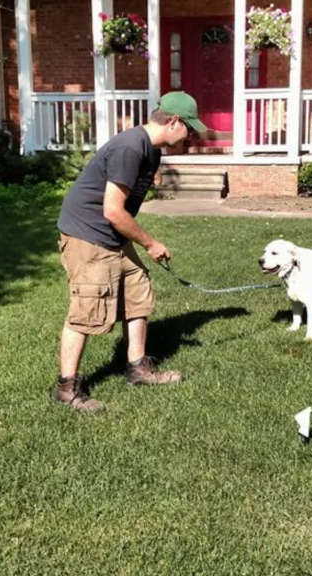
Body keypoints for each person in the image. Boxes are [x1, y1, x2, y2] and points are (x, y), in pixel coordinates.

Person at [53, 91, 209, 413]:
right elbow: (113, 210)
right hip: (89, 233)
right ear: (174, 121)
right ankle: (66, 388)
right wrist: (150, 243)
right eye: (189, 129)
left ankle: (138, 369)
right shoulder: (130, 147)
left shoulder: (150, 150)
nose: (190, 136)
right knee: (87, 310)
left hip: (111, 234)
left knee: (137, 288)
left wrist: (147, 176)